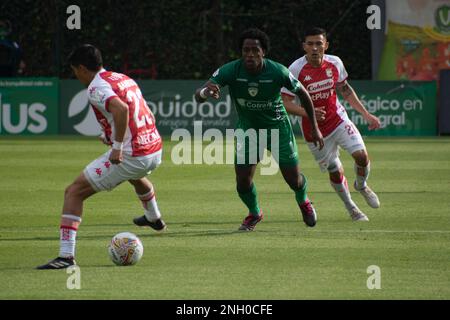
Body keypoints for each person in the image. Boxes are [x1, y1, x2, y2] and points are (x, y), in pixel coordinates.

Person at [37, 44, 165, 269]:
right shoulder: (121, 77)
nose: (76, 76)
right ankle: (154, 218)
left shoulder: (96, 88)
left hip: (133, 154)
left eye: (75, 71)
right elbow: (145, 111)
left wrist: (117, 146)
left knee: (73, 192)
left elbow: (122, 109)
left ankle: (66, 257)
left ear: (82, 68)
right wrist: (114, 136)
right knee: (134, 174)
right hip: (154, 148)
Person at [195, 28, 324, 231]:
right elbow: (199, 96)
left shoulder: (277, 71)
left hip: (278, 128)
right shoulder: (231, 70)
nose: (250, 54)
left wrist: (314, 128)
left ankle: (304, 201)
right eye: (246, 50)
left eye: (255, 50)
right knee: (242, 182)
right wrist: (206, 91)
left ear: (263, 51)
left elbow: (304, 94)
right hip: (249, 131)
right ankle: (255, 213)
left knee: (293, 180)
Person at [281, 27, 381, 222]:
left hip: (338, 119)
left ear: (326, 45)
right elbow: (284, 102)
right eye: (310, 44)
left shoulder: (335, 63)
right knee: (334, 169)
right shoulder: (294, 70)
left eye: (319, 43)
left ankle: (361, 185)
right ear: (304, 47)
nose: (315, 48)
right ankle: (351, 207)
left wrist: (367, 115)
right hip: (314, 130)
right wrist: (309, 113)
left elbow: (345, 89)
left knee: (361, 156)